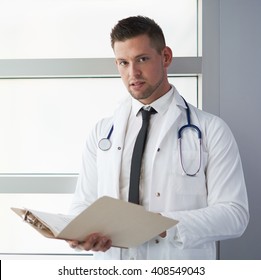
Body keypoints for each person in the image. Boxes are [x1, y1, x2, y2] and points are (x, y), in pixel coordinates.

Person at [68, 15, 249, 260]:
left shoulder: (211, 130)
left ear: (165, 57)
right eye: (123, 62)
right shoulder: (102, 133)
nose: (133, 73)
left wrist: (162, 225)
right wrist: (84, 235)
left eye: (142, 59)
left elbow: (234, 214)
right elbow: (83, 204)